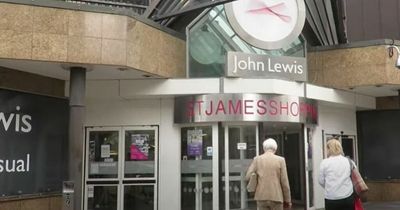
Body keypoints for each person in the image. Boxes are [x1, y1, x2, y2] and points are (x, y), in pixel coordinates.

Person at [246, 138, 292, 210]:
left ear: (264, 148)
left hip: (261, 196)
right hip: (276, 196)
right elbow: (284, 182)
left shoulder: (257, 159)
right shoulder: (280, 160)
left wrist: (255, 176)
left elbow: (248, 176)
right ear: (275, 148)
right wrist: (288, 200)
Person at [319, 139, 354, 210]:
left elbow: (321, 181)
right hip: (347, 196)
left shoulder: (325, 162)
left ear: (329, 149)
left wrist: (330, 186)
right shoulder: (348, 161)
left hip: (331, 198)